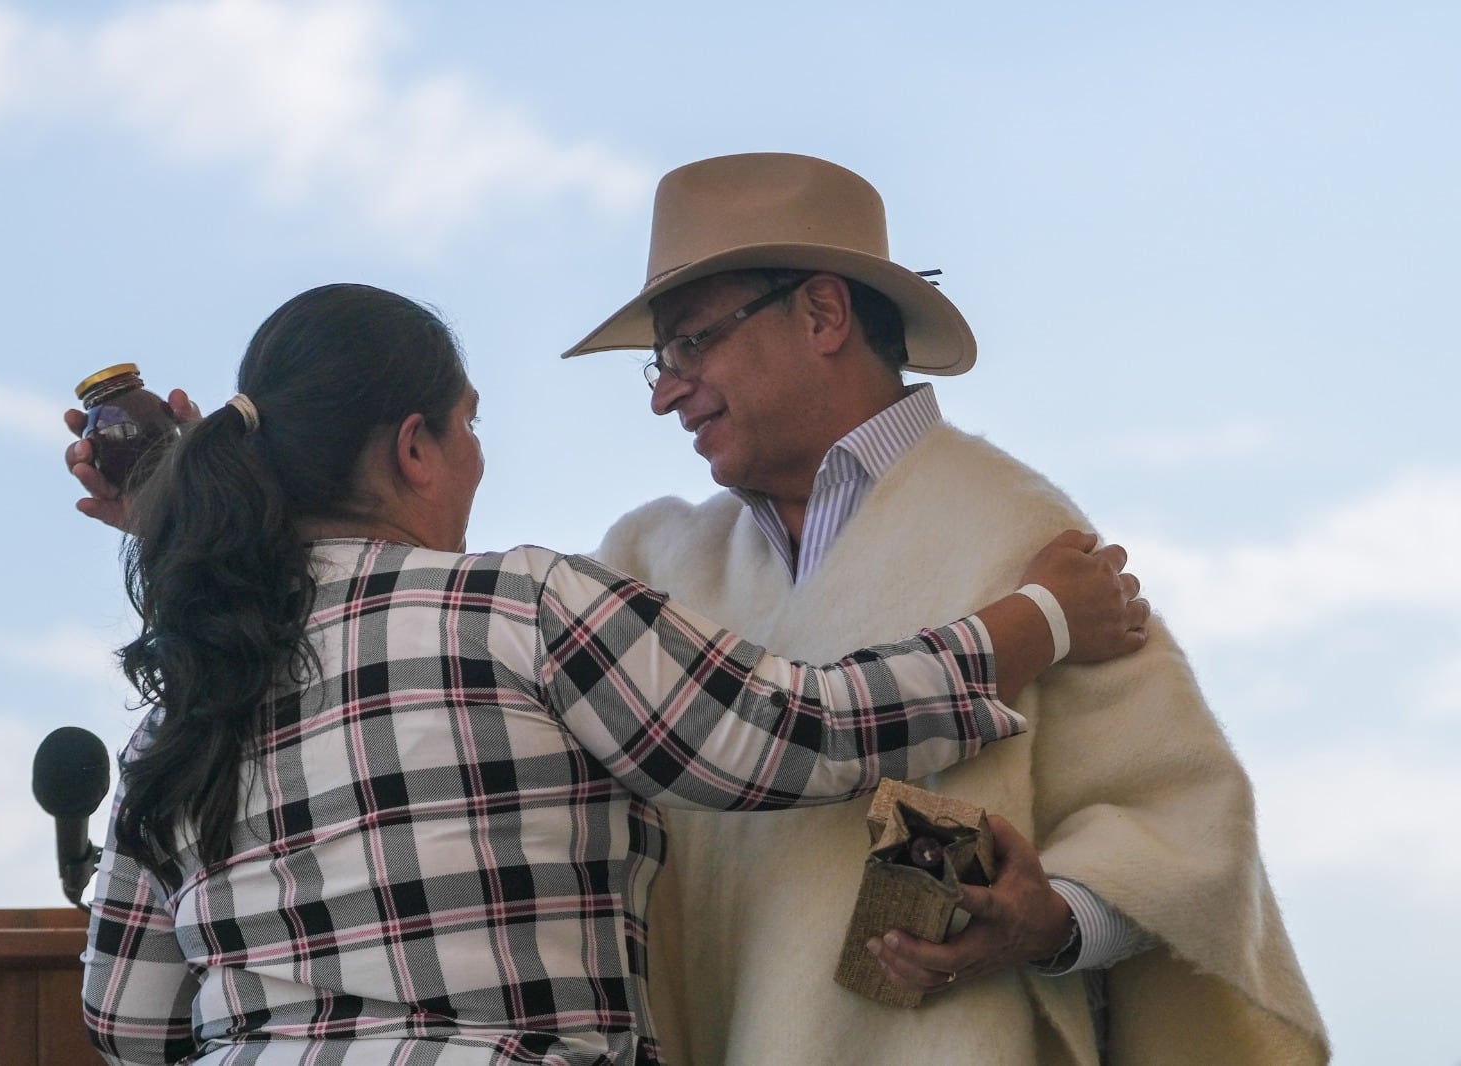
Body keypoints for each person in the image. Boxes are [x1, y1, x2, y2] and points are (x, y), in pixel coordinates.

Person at [74, 282, 1150, 1066]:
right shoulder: (517, 609)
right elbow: (798, 731)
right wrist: (1037, 620)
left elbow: (126, 1021)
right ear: (413, 447)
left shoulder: (185, 704)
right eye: (471, 423)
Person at [559, 153, 1328, 1065]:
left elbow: (1182, 823)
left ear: (822, 314)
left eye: (691, 342)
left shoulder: (1016, 534)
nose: (663, 392)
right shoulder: (646, 565)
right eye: (661, 358)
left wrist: (1052, 920)